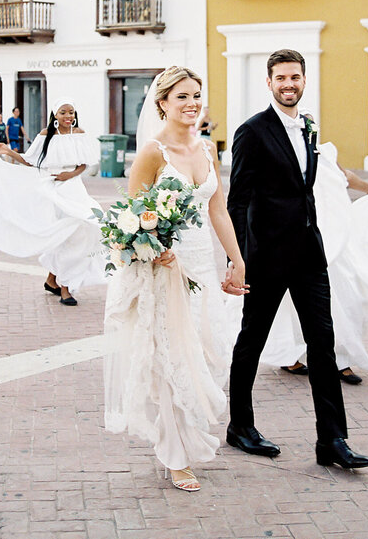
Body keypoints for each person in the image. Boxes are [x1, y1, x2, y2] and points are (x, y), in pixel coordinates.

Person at [225, 49, 368, 471]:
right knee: (250, 342)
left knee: (322, 346)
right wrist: (237, 259)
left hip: (309, 254)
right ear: (269, 83)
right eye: (281, 78)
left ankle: (332, 440)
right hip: (265, 257)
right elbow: (238, 200)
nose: (289, 85)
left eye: (295, 77)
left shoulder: (308, 127)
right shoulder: (252, 132)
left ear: (304, 80)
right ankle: (240, 427)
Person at [102, 66, 248, 492]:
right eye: (182, 96)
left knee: (205, 353)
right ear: (162, 102)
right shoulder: (152, 152)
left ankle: (186, 439)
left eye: (197, 95)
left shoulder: (207, 150)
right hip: (165, 270)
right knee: (171, 360)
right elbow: (129, 218)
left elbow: (217, 210)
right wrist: (155, 249)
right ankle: (175, 455)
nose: (192, 103)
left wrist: (236, 260)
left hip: (202, 264)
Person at [265, 160, 368, 384]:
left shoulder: (323, 152)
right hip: (299, 238)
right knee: (293, 305)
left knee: (347, 301)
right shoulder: (278, 153)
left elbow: (346, 177)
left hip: (336, 242)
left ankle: (342, 359)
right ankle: (290, 355)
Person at [0, 99, 104, 306]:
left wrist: (70, 174)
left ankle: (52, 280)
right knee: (65, 235)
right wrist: (8, 152)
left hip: (74, 188)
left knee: (86, 227)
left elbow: (84, 163)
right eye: (63, 112)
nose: (68, 117)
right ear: (54, 115)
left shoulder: (79, 133)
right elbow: (30, 161)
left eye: (71, 112)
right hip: (53, 190)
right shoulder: (45, 135)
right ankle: (65, 287)